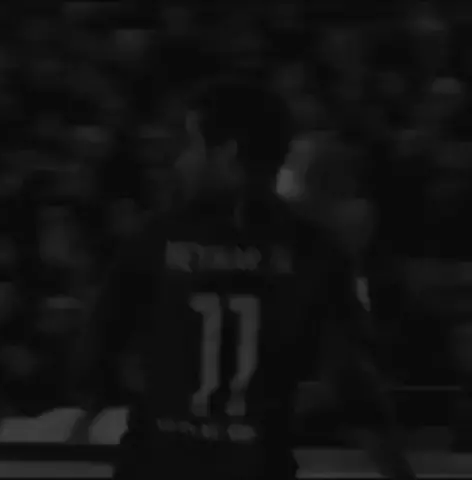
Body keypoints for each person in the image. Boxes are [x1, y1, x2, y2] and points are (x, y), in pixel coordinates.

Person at [70, 77, 415, 480]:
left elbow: (97, 355)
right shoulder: (316, 251)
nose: (181, 161)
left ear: (228, 152)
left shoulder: (154, 240)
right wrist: (397, 471)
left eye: (192, 145)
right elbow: (352, 382)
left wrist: (101, 408)